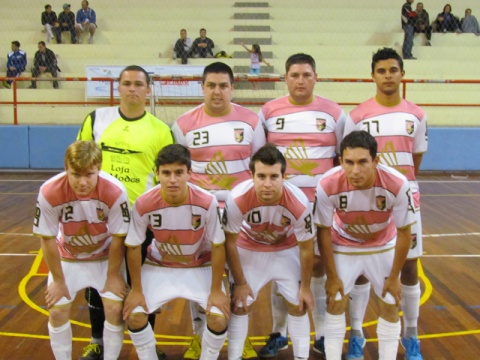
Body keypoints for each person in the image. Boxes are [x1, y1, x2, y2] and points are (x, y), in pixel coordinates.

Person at [78, 65, 173, 360]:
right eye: (127, 83)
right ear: (118, 88)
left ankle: (147, 341)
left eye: (138, 84)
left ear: (148, 90)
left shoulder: (161, 130)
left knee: (143, 284)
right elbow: (80, 165)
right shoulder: (96, 120)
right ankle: (97, 341)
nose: (132, 89)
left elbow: (166, 180)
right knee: (99, 283)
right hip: (101, 219)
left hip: (141, 221)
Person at [171, 61, 266, 359]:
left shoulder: (251, 121)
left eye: (223, 85)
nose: (217, 91)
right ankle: (199, 337)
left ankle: (242, 338)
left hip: (241, 214)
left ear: (232, 88)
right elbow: (180, 171)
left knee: (241, 277)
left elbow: (259, 168)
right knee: (199, 275)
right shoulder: (183, 124)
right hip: (200, 214)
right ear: (202, 88)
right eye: (211, 85)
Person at [258, 52, 346, 358]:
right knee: (282, 264)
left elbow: (342, 160)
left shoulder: (334, 112)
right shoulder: (268, 111)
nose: (300, 80)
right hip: (280, 206)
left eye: (306, 75)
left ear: (316, 77)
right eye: (294, 75)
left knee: (319, 266)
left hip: (320, 204)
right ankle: (278, 331)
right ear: (285, 78)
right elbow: (260, 160)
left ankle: (321, 332)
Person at [343, 47, 428, 360]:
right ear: (373, 75)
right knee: (363, 268)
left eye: (393, 70)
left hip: (405, 200)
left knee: (409, 267)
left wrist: (399, 186)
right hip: (365, 201)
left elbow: (415, 160)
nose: (388, 75)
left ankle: (412, 335)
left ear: (402, 74)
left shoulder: (417, 114)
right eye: (382, 70)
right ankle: (356, 335)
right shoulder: (357, 116)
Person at [314, 130, 415, 360]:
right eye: (348, 162)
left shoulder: (397, 184)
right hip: (344, 244)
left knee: (390, 301)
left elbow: (404, 232)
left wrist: (394, 276)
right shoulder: (327, 183)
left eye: (362, 162)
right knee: (336, 300)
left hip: (381, 244)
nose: (355, 170)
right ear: (340, 161)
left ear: (376, 161)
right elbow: (323, 231)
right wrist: (332, 276)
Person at [123, 144, 230, 360]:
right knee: (134, 315)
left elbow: (218, 245)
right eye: (166, 173)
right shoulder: (144, 203)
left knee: (218, 318)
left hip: (200, 264)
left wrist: (217, 290)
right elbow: (134, 246)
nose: (173, 180)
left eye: (179, 173)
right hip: (159, 265)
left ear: (190, 174)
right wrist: (136, 289)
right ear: (157, 174)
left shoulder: (206, 201)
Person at [33, 140, 130, 360]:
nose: (83, 182)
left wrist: (114, 275)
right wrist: (58, 281)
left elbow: (119, 237)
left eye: (89, 174)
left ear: (99, 169)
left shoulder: (115, 191)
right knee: (57, 311)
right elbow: (47, 239)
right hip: (68, 259)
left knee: (114, 310)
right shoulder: (49, 191)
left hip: (105, 258)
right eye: (76, 175)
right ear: (66, 168)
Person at [223, 143, 314, 360]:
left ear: (284, 176)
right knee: (240, 305)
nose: (267, 184)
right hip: (249, 249)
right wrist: (240, 282)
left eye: (274, 177)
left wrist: (306, 287)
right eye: (261, 176)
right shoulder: (237, 198)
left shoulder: (300, 202)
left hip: (285, 249)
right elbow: (229, 243)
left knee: (298, 305)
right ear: (251, 175)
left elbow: (308, 247)